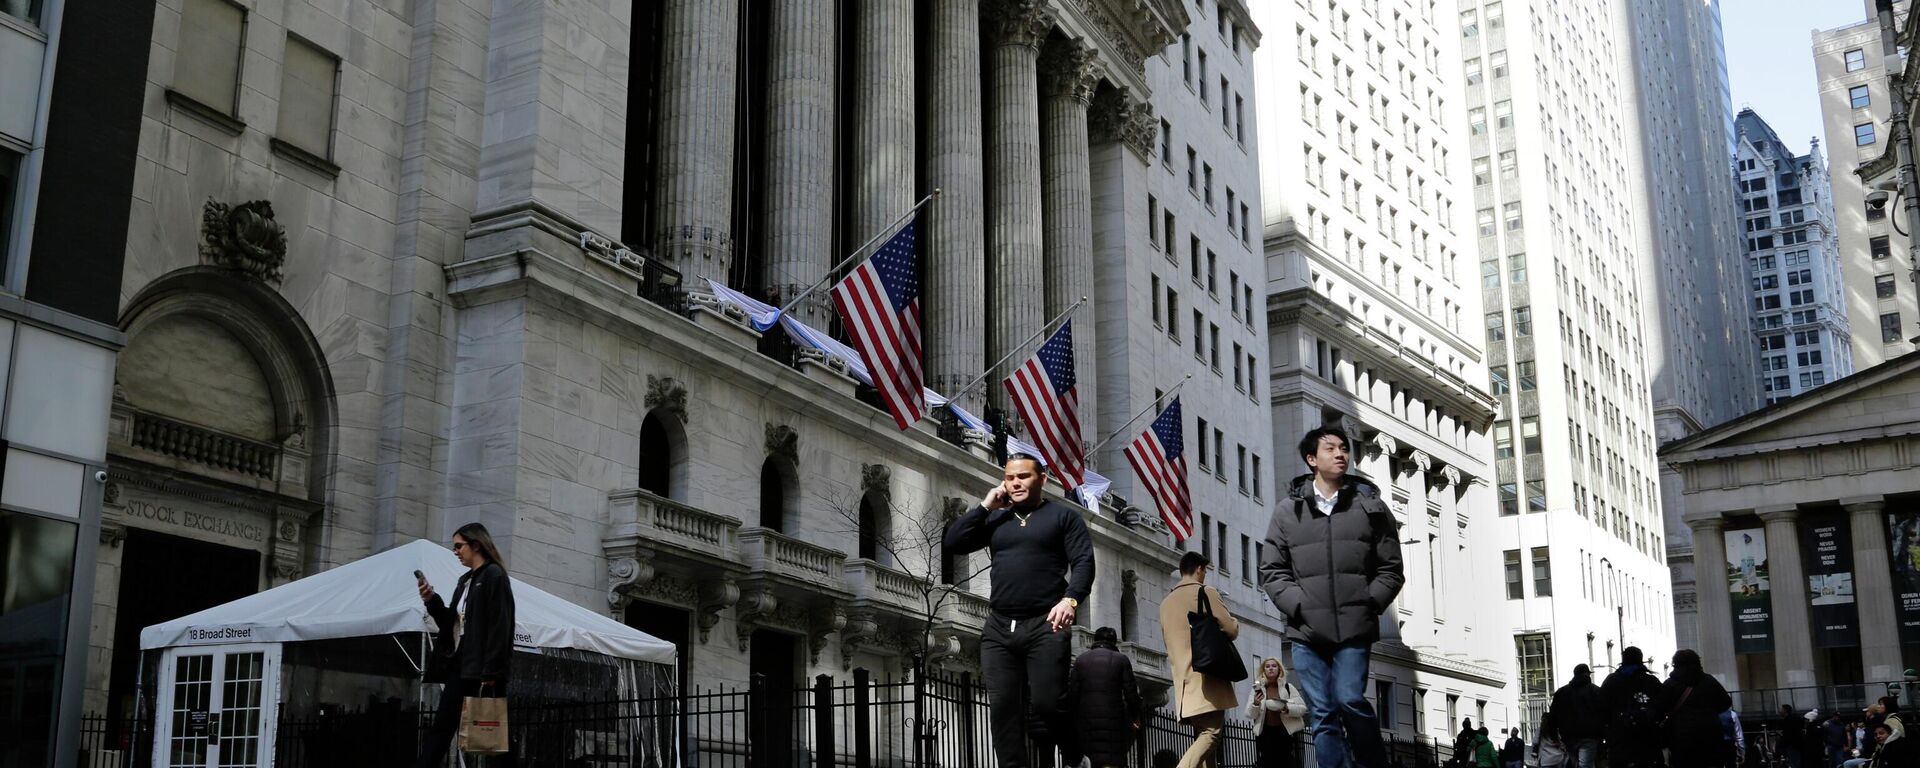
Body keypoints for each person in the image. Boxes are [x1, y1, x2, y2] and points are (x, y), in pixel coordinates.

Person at [1260, 426, 1405, 768]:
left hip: (1354, 628)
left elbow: (1391, 568)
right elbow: (1272, 569)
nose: (1341, 453)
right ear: (1312, 459)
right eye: (1330, 448)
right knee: (1323, 713)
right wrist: (1299, 605)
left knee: (1350, 699)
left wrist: (1369, 603)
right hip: (1306, 631)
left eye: (1344, 448)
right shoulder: (1287, 511)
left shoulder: (1370, 507)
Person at [944, 453, 1095, 767]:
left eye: (1023, 476)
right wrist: (986, 506)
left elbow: (1084, 564)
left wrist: (1070, 600)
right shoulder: (997, 519)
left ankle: (1075, 753)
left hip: (1045, 624)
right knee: (1002, 710)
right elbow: (954, 541)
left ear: (1042, 479)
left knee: (1047, 703)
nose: (1015, 483)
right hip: (999, 627)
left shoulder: (1064, 518)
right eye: (1010, 477)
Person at [416, 523, 517, 768]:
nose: (456, 551)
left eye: (459, 546)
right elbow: (450, 624)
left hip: (483, 670)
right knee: (443, 726)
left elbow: (500, 626)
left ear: (476, 545)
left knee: (493, 731)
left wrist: (491, 671)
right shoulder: (465, 581)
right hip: (461, 666)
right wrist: (431, 600)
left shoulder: (494, 575)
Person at [1159, 551, 1241, 768]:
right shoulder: (1206, 592)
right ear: (1199, 569)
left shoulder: (1166, 602)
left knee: (1205, 741)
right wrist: (1233, 620)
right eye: (1205, 570)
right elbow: (1231, 630)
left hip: (1184, 680)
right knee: (1211, 734)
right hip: (1207, 675)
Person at [1066, 627, 1143, 768]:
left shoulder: (1080, 661)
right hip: (1114, 725)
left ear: (1095, 640)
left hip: (1086, 724)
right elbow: (1131, 693)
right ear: (1114, 642)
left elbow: (1072, 696)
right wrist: (1135, 715)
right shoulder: (1121, 660)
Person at [1660, 649, 1734, 768]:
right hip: (1710, 735)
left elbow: (1661, 709)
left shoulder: (1670, 684)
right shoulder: (1709, 681)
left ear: (1676, 664)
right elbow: (1726, 702)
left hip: (1681, 737)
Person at [1600, 646, 1665, 768]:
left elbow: (1602, 709)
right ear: (1641, 660)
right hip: (1647, 739)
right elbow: (1662, 707)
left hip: (1619, 739)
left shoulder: (1611, 681)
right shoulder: (1651, 681)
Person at [1544, 664, 1605, 768]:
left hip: (1568, 736)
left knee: (1574, 763)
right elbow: (1603, 713)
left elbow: (1553, 716)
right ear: (1587, 674)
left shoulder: (1561, 692)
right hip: (1590, 735)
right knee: (1586, 764)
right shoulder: (1595, 691)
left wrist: (1554, 736)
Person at [1247, 657, 1299, 768]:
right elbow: (1250, 714)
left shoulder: (1288, 687)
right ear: (1263, 670)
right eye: (1267, 666)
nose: (1271, 668)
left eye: (1274, 666)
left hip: (1284, 732)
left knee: (1286, 762)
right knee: (1266, 762)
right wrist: (1256, 703)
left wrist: (1287, 708)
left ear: (1279, 669)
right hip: (1265, 733)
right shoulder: (1258, 690)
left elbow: (1302, 708)